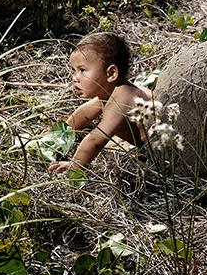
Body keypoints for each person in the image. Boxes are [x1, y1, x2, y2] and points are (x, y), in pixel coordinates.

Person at [48, 32, 153, 174]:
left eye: (82, 70)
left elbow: (96, 140)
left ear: (111, 74)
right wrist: (62, 131)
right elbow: (84, 113)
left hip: (162, 148)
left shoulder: (123, 97)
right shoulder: (109, 93)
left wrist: (75, 165)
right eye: (74, 71)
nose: (74, 78)